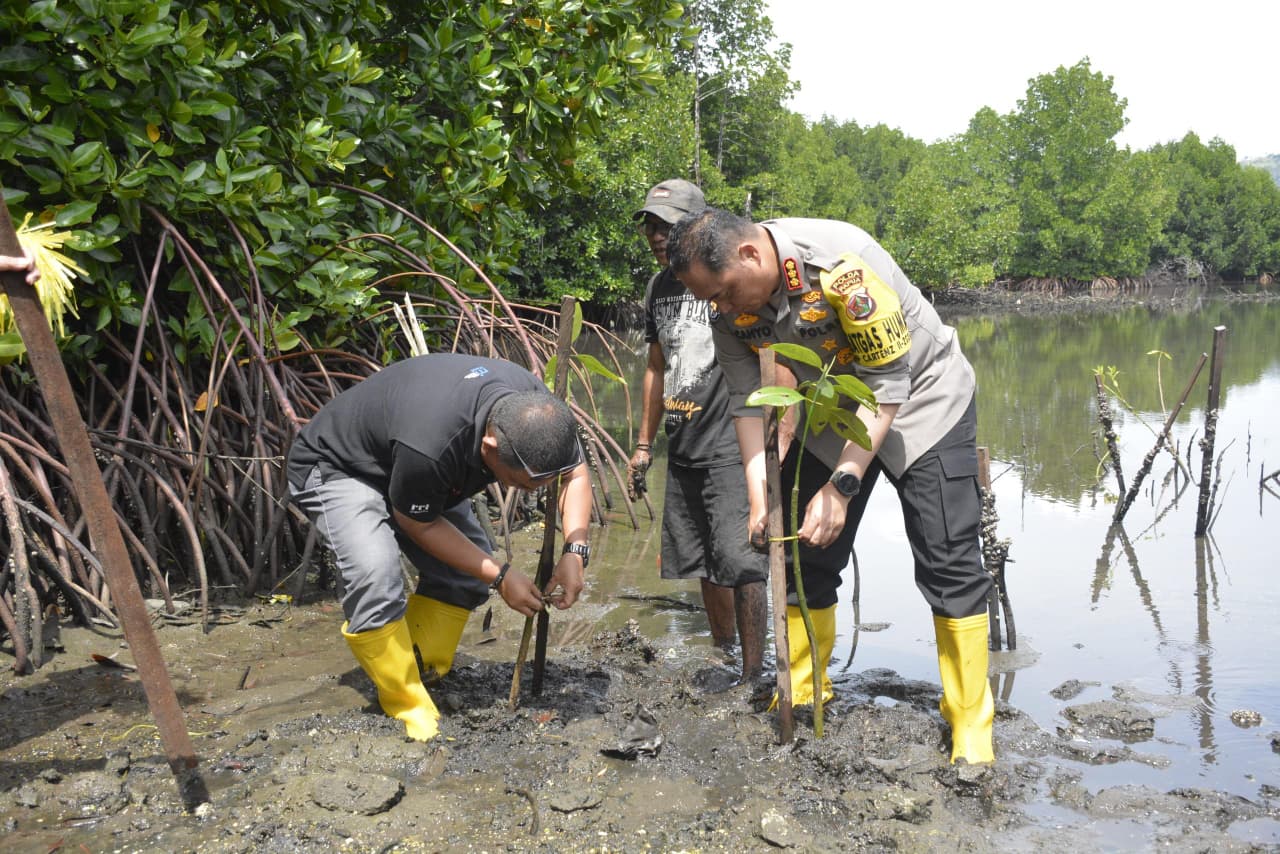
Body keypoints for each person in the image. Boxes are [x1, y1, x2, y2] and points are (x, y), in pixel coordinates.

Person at [666, 208, 994, 764]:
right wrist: (760, 497)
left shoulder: (842, 263)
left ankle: (969, 726)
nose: (718, 309)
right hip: (830, 406)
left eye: (722, 294)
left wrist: (841, 486)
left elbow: (890, 382)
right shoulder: (727, 307)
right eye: (710, 301)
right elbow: (751, 402)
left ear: (750, 255)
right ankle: (804, 690)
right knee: (804, 552)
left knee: (947, 560)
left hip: (922, 402)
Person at [286, 353, 592, 741]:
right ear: (490, 446)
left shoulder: (537, 409)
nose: (535, 492)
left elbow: (576, 473)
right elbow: (417, 522)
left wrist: (574, 550)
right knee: (375, 574)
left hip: (410, 468)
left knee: (463, 579)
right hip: (341, 467)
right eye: (526, 485)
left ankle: (420, 665)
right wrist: (500, 576)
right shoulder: (434, 441)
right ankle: (405, 702)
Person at [629, 180, 768, 684]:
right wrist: (644, 444)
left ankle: (755, 672)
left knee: (742, 556)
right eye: (650, 225)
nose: (656, 235)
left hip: (733, 439)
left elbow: (765, 354)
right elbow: (655, 366)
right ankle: (724, 652)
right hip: (681, 437)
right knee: (705, 557)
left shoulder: (726, 277)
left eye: (667, 226)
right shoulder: (658, 288)